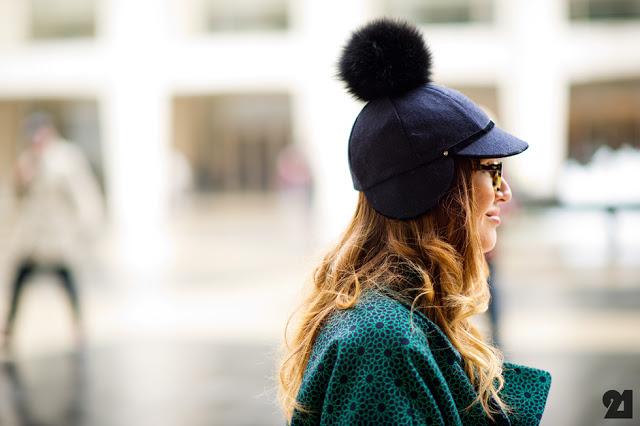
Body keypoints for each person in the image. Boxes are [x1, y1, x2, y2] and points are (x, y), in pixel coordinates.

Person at [278, 19, 551, 425]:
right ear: (433, 186)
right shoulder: (381, 341)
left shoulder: (404, 317)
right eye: (490, 170)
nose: (504, 192)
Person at [2, 112, 104, 350]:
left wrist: (88, 225)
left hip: (59, 235)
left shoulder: (66, 159)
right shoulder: (29, 159)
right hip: (34, 236)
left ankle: (79, 325)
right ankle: (10, 327)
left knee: (67, 279)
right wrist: (20, 180)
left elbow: (83, 194)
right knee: (20, 278)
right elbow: (16, 196)